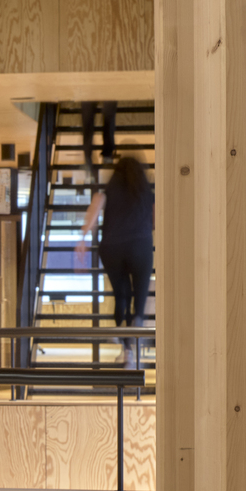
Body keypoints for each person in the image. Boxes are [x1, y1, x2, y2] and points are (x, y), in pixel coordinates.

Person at [84, 155, 154, 364]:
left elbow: (97, 202)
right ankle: (137, 332)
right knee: (139, 299)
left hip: (112, 247)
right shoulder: (145, 191)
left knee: (121, 295)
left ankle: (126, 350)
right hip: (140, 246)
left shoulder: (111, 187)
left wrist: (83, 236)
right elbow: (155, 220)